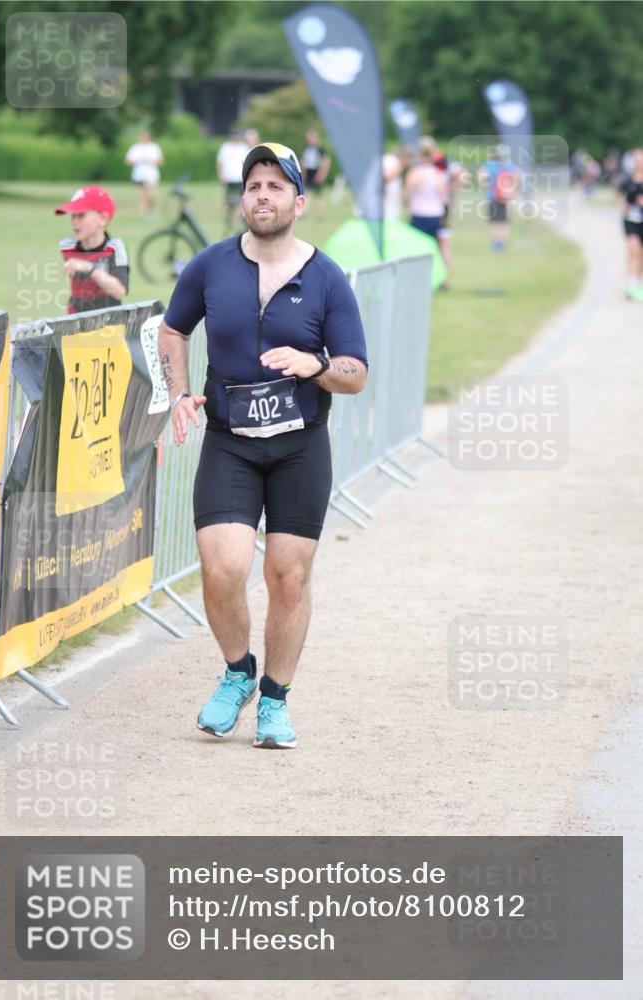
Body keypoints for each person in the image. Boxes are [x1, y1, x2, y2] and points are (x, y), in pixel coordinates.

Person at [157, 141, 368, 749]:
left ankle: (275, 699)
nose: (262, 195)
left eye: (276, 186)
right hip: (230, 442)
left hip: (301, 447)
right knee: (224, 569)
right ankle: (237, 673)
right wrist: (178, 393)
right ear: (242, 198)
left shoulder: (325, 278)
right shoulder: (210, 265)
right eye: (253, 185)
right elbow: (173, 329)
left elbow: (355, 374)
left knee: (287, 576)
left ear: (299, 202)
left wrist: (313, 363)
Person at [55, 186, 128, 314]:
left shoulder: (114, 247)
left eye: (81, 215)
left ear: (103, 219)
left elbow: (119, 292)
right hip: (75, 319)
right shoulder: (68, 247)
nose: (74, 222)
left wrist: (90, 268)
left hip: (109, 322)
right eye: (72, 216)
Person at [404, 138, 449, 242]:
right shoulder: (438, 173)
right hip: (436, 216)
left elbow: (406, 197)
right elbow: (443, 197)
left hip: (419, 215)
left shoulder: (415, 173)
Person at [478, 144, 518, 251]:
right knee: (503, 222)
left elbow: (482, 179)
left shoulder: (489, 165)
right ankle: (502, 243)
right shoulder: (508, 166)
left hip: (492, 196)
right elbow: (517, 176)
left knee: (494, 222)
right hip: (505, 198)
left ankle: (496, 244)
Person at [619, 147, 643, 302]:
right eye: (637, 159)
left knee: (641, 254)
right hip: (631, 220)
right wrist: (626, 205)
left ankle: (638, 284)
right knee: (633, 250)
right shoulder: (627, 180)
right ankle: (630, 286)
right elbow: (619, 197)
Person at [216, 128, 250, 237]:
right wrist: (221, 175)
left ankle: (241, 216)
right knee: (228, 200)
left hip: (240, 178)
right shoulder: (225, 147)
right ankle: (228, 218)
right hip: (229, 177)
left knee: (242, 200)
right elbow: (220, 162)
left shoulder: (243, 148)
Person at [125, 129, 164, 217]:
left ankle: (150, 210)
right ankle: (143, 214)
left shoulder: (154, 147)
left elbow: (160, 161)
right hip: (139, 176)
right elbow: (127, 161)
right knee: (142, 196)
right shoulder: (135, 148)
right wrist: (137, 160)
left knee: (152, 196)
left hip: (151, 175)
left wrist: (150, 161)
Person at [302, 129, 331, 220]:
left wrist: (321, 174)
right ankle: (303, 213)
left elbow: (326, 161)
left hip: (317, 172)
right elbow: (304, 162)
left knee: (318, 195)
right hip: (309, 173)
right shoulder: (307, 149)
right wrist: (303, 173)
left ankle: (319, 215)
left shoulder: (320, 150)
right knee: (306, 194)